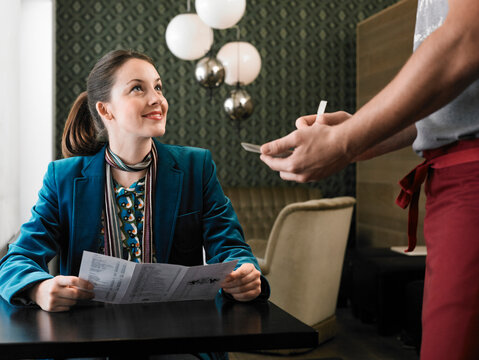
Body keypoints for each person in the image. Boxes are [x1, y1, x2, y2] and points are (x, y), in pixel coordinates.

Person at [260, 0, 479, 359]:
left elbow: (464, 41)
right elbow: (443, 101)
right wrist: (358, 132)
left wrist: (345, 142)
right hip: (448, 185)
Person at [0, 50, 268, 334]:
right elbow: (16, 260)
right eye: (138, 88)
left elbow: (231, 247)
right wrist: (39, 289)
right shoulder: (63, 178)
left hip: (179, 337)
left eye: (158, 87)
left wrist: (245, 275)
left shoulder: (196, 167)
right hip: (90, 339)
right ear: (106, 110)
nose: (157, 99)